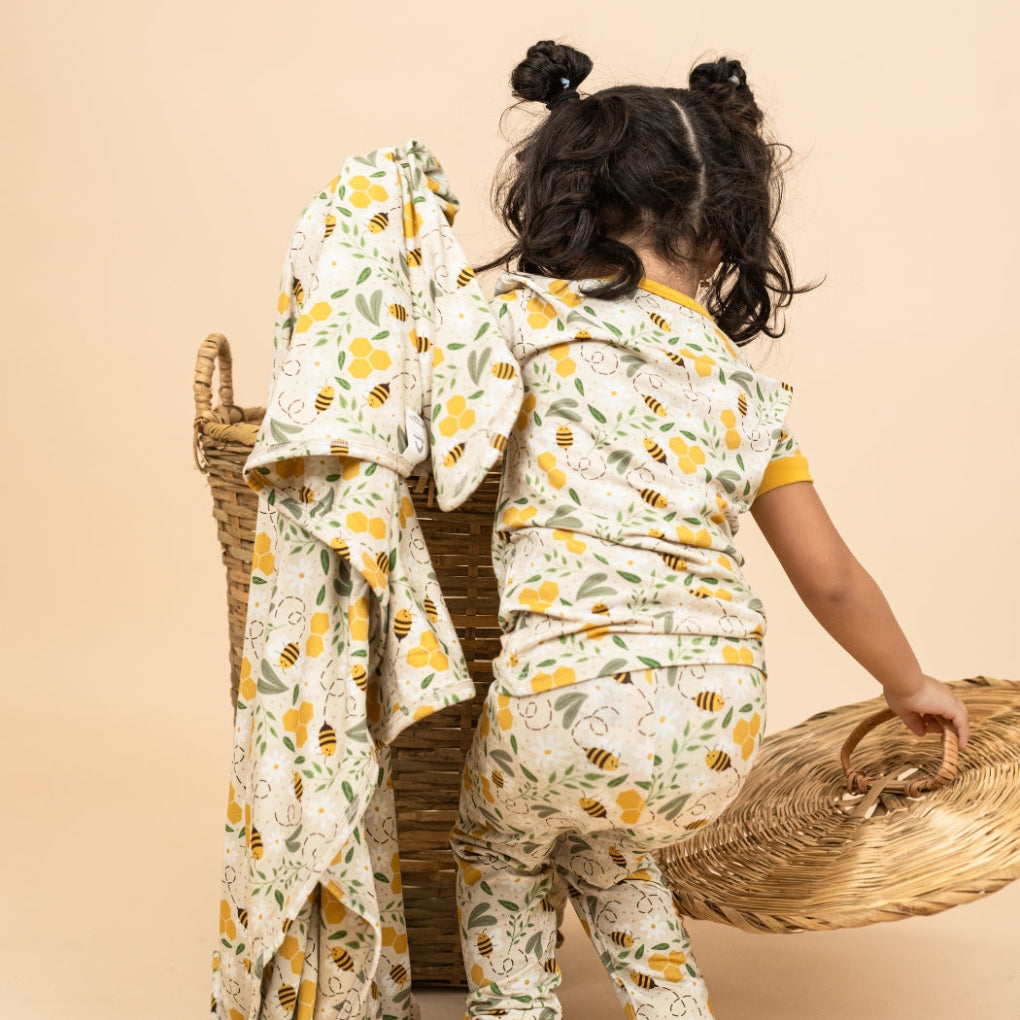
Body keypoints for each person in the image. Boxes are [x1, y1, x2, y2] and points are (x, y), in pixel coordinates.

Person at [448, 40, 970, 1020]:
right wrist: (911, 686)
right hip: (715, 723)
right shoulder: (745, 391)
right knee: (615, 852)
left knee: (500, 853)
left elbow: (438, 447)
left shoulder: (517, 323)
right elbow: (832, 580)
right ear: (727, 235)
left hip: (561, 690)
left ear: (565, 206)